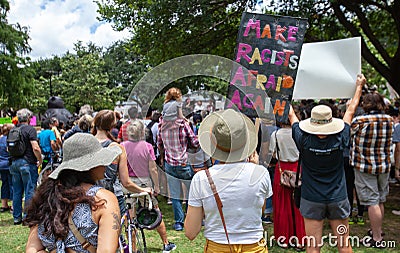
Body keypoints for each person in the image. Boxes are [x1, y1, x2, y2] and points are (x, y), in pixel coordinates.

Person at [287, 74, 365, 253]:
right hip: (338, 198)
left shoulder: (303, 140)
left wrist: (283, 90)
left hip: (311, 198)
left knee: (313, 247)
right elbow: (350, 111)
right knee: (344, 244)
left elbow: (291, 114)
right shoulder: (341, 137)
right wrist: (359, 86)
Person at [185, 109, 272, 253]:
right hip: (254, 247)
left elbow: (190, 232)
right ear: (245, 142)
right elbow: (259, 211)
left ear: (213, 142)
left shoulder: (201, 179)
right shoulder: (261, 173)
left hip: (217, 247)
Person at [25, 133, 122, 252]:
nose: (105, 164)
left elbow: (32, 249)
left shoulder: (48, 195)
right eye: (100, 159)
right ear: (90, 165)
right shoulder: (104, 199)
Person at [121, 120, 176, 252]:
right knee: (155, 213)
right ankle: (166, 243)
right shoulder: (147, 146)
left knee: (130, 218)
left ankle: (133, 248)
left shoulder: (121, 146)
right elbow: (153, 169)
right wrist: (157, 186)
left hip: (128, 183)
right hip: (144, 182)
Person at [350, 92, 394, 248]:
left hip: (364, 166)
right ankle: (377, 230)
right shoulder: (390, 120)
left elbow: (347, 134)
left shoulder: (359, 121)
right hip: (383, 165)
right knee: (380, 199)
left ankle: (376, 238)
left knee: (372, 201)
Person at [92, 110, 151, 216]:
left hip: (91, 196)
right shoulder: (117, 148)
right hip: (113, 197)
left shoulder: (87, 145)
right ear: (112, 126)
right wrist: (142, 189)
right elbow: (126, 182)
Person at [158, 109, 199, 231]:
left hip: (169, 163)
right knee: (190, 192)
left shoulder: (162, 127)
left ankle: (178, 223)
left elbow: (159, 144)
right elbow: (195, 142)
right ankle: (190, 218)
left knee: (175, 195)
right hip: (183, 162)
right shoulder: (183, 125)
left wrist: (162, 157)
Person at [269, 120, 305, 250]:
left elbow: (272, 153)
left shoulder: (276, 134)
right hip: (297, 168)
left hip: (282, 169)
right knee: (299, 204)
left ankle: (284, 238)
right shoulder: (300, 133)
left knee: (282, 204)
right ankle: (300, 239)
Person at [9, 108, 43, 225]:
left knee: (17, 191)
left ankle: (16, 217)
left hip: (14, 163)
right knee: (30, 189)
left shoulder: (13, 130)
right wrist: (39, 159)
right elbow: (35, 147)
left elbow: (8, 148)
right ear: (29, 118)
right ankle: (27, 216)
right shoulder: (30, 130)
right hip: (27, 163)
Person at [0, 123, 14, 213]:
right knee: (12, 184)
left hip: (1, 165)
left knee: (4, 184)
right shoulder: (10, 140)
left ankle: (4, 204)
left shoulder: (0, 139)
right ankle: (13, 205)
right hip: (9, 164)